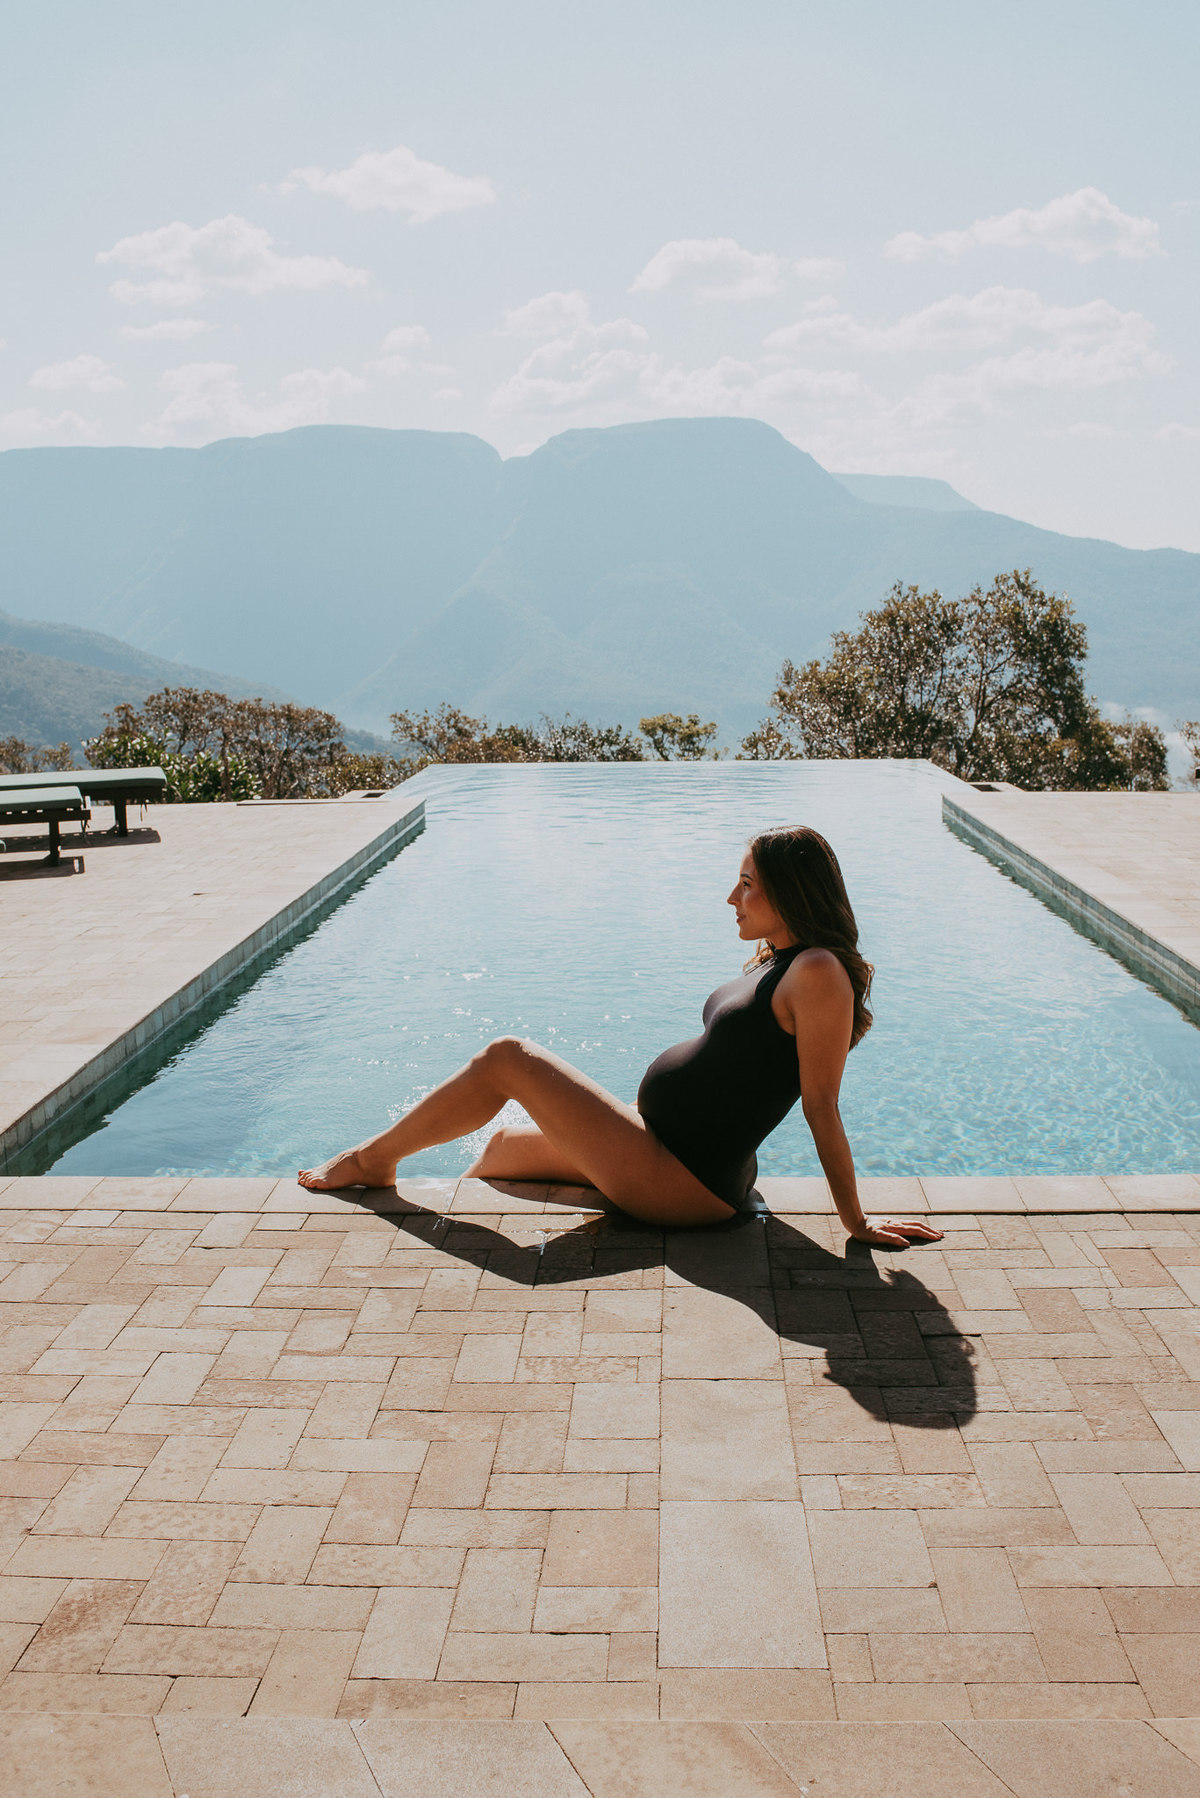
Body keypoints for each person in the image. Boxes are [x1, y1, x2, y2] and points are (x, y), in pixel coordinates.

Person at [298, 825, 942, 1249]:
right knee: (499, 1149)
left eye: (747, 883)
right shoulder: (783, 958)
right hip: (663, 1146)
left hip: (686, 1180)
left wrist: (855, 1224)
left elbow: (821, 1105)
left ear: (790, 891)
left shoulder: (819, 972)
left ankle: (371, 1162)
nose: (731, 897)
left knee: (507, 1059)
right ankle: (416, 1177)